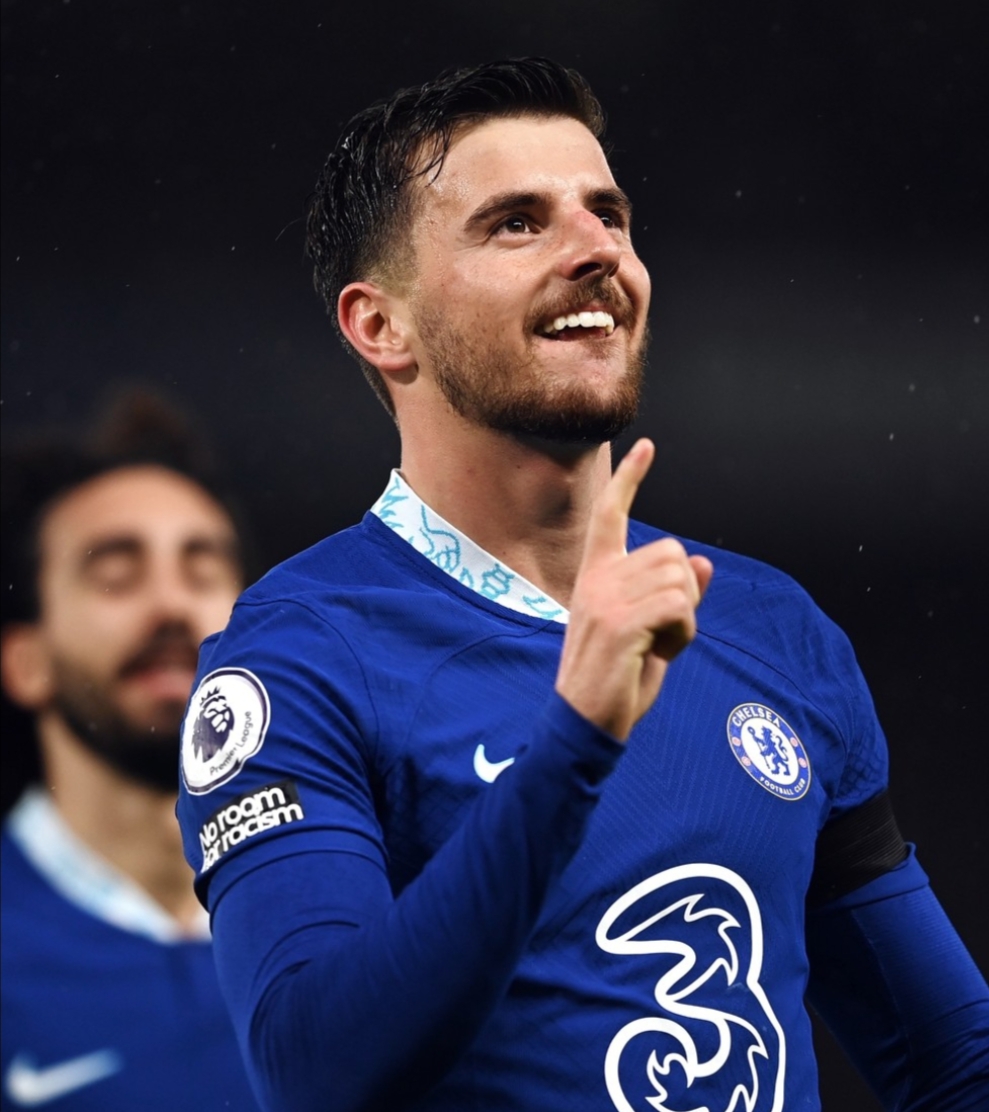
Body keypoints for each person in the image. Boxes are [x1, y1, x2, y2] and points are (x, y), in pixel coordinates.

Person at [175, 59, 989, 1112]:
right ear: (381, 325)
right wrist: (575, 742)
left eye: (607, 213)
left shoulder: (767, 626)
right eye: (516, 223)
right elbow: (311, 1070)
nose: (596, 249)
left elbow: (948, 1061)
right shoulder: (297, 659)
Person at [1, 394, 261, 1111]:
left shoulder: (370, 909)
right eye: (115, 575)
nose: (172, 606)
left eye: (202, 573)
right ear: (26, 662)